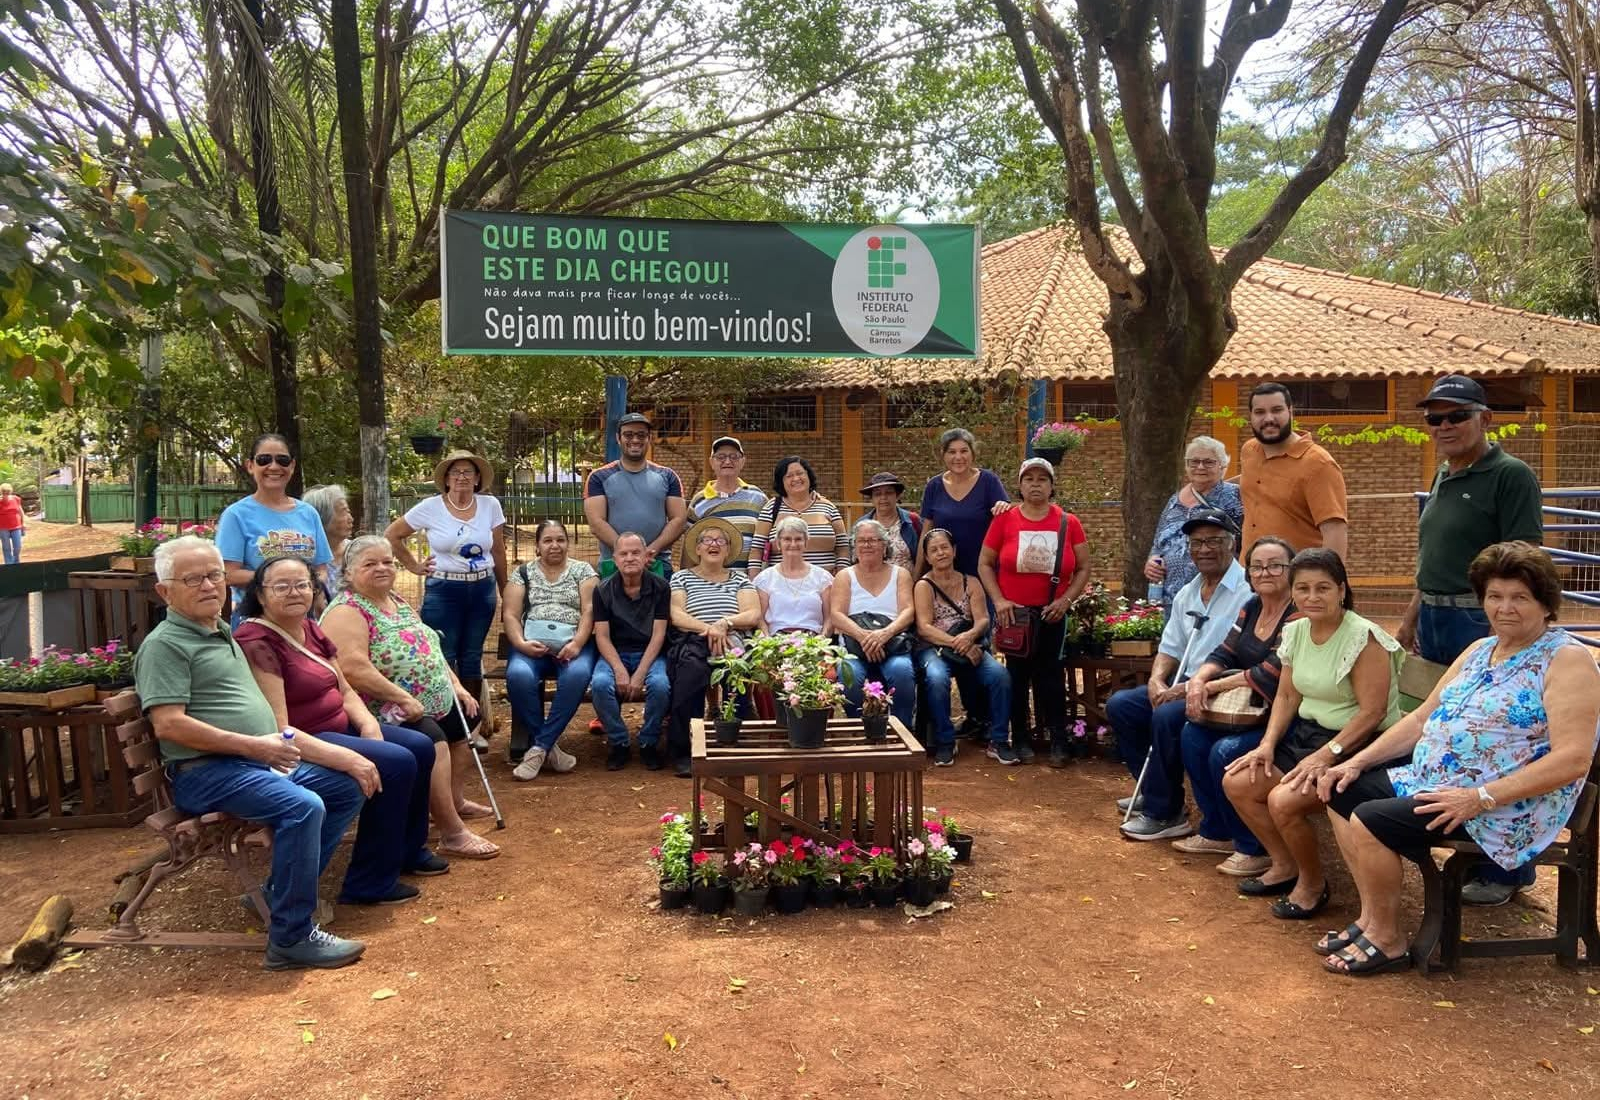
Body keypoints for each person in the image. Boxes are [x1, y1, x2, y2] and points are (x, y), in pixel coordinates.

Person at [1316, 542, 1600, 975]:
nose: (1505, 608)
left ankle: (1388, 940)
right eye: (1495, 596)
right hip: (1435, 780)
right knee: (1341, 790)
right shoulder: (1479, 650)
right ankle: (1371, 920)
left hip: (1507, 805)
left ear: (1546, 604)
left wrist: (1479, 797)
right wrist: (1355, 761)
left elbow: (1573, 759)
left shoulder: (1566, 660)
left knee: (1370, 818)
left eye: (1519, 597)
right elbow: (1420, 722)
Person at [131, 535, 365, 970]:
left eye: (215, 575)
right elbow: (169, 724)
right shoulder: (165, 645)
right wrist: (256, 746)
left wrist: (262, 748)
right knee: (303, 806)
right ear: (165, 591)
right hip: (206, 771)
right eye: (193, 578)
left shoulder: (219, 630)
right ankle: (291, 939)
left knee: (344, 786)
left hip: (249, 763)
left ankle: (282, 894)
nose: (209, 586)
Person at [1394, 375, 1546, 906]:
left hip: (1481, 623)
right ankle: (1461, 839)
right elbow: (1431, 562)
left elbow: (1525, 561)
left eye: (1456, 415)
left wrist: (1506, 629)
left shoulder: (1510, 475)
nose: (1443, 426)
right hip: (1435, 617)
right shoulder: (1443, 473)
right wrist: (1412, 616)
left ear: (1486, 418)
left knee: (1498, 742)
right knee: (1446, 730)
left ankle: (1509, 869)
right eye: (1434, 418)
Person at [235, 556, 445, 904]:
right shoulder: (257, 640)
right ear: (260, 593)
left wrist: (368, 727)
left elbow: (345, 689)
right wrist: (361, 748)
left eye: (303, 584)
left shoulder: (311, 627)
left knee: (420, 745)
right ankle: (368, 882)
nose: (295, 593)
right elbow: (279, 725)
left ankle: (408, 850)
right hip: (305, 737)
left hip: (340, 724)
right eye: (282, 586)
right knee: (396, 762)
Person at [1222, 548, 1401, 921]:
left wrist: (1327, 754)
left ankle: (1312, 885)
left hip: (1358, 745)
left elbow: (1373, 713)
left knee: (1283, 801)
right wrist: (1267, 745)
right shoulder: (1297, 630)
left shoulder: (1363, 638)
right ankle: (1286, 865)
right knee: (1239, 782)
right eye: (1302, 589)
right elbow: (1288, 694)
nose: (1312, 597)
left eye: (1323, 588)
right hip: (1306, 735)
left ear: (1341, 589)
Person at [321, 536, 500, 861]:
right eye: (370, 564)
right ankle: (452, 831)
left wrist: (456, 685)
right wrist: (402, 697)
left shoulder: (397, 601)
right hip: (381, 709)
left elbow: (429, 647)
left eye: (387, 562)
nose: (382, 569)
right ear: (349, 572)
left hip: (428, 700)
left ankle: (453, 800)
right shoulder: (347, 610)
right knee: (431, 737)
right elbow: (353, 667)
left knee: (467, 716)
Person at [1111, 510, 1253, 840]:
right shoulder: (1188, 592)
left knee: (1166, 716)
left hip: (1223, 686)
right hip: (1182, 684)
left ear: (1233, 545)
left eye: (1214, 541)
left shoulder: (1248, 592)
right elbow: (1170, 646)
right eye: (1197, 542)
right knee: (1123, 706)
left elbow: (1244, 659)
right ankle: (1156, 790)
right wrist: (1156, 680)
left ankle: (1164, 814)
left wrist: (1187, 688)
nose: (1204, 549)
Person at [1173, 536, 1299, 876]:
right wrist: (1198, 680)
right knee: (1192, 736)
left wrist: (1210, 685)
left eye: (1275, 565)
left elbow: (1271, 671)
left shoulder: (1297, 614)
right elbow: (1224, 652)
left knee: (1225, 753)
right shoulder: (1252, 606)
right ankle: (1217, 830)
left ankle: (1252, 846)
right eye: (1257, 566)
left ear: (1292, 570)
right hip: (1246, 712)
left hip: (1282, 717)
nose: (1265, 572)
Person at [384, 450, 508, 734]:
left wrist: (505, 591)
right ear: (446, 478)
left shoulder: (490, 505)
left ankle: (472, 728)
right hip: (443, 589)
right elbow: (392, 534)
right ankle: (447, 724)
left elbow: (498, 550)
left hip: (482, 588)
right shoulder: (431, 506)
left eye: (468, 472)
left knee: (472, 655)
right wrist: (414, 566)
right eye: (456, 472)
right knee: (443, 653)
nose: (462, 477)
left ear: (477, 478)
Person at [979, 457, 1090, 765]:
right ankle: (1022, 737)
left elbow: (1083, 567)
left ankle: (1058, 739)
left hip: (1052, 612)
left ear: (1052, 486)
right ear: (1020, 485)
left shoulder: (1069, 522)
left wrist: (1065, 600)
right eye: (1029, 479)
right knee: (1016, 676)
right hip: (1015, 615)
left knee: (1051, 677)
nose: (1036, 484)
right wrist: (999, 601)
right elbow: (984, 564)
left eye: (1043, 479)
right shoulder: (1004, 520)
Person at [666, 517, 763, 777]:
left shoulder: (739, 579)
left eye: (720, 540)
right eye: (707, 540)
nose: (714, 544)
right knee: (690, 674)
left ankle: (739, 746)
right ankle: (687, 751)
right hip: (693, 638)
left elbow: (753, 613)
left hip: (732, 637)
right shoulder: (681, 578)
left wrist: (725, 623)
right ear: (697, 549)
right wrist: (708, 629)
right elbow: (676, 615)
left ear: (727, 549)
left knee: (737, 671)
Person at [503, 519, 594, 780]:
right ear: (538, 547)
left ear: (568, 543)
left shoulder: (583, 571)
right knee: (518, 676)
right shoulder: (522, 573)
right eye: (548, 540)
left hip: (573, 647)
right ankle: (549, 747)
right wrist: (520, 644)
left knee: (577, 676)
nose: (555, 545)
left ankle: (538, 748)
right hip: (530, 646)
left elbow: (589, 610)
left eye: (560, 540)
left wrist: (577, 643)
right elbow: (510, 614)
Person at [914, 527, 1011, 767]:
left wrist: (969, 638)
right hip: (935, 648)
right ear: (926, 557)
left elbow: (983, 620)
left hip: (970, 645)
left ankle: (999, 740)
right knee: (936, 678)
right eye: (933, 550)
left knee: (1000, 676)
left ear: (954, 550)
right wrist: (959, 643)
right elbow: (924, 628)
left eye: (944, 547)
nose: (940, 553)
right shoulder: (923, 586)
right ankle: (945, 741)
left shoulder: (972, 582)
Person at [216, 433, 332, 623]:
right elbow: (227, 574)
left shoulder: (308, 513)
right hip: (257, 620)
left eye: (282, 460)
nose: (274, 466)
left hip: (303, 618)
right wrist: (281, 580)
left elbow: (321, 569)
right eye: (264, 460)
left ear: (292, 466)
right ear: (250, 466)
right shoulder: (236, 515)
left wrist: (307, 586)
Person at [591, 531, 672, 771]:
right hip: (615, 653)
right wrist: (619, 670)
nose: (629, 558)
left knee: (660, 685)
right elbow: (602, 637)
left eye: (636, 553)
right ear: (614, 559)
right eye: (623, 553)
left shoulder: (660, 587)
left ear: (647, 556)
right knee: (599, 684)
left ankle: (648, 742)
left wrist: (639, 674)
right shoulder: (602, 590)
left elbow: (659, 635)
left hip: (651, 653)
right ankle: (619, 742)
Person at [1239, 382, 1348, 560]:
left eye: (1276, 410)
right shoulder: (1249, 451)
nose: (1268, 419)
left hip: (1295, 579)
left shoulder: (1319, 464)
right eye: (1260, 412)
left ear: (1290, 412)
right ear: (1250, 416)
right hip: (1249, 575)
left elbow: (1334, 530)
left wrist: (1330, 583)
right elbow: (1250, 481)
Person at [831, 520, 916, 730]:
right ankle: (859, 730)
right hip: (854, 644)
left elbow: (908, 612)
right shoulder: (845, 576)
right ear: (854, 545)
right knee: (848, 674)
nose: (867, 545)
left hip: (893, 643)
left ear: (884, 544)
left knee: (902, 671)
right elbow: (837, 615)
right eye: (861, 541)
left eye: (873, 540)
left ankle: (902, 730)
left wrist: (883, 635)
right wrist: (864, 637)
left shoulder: (900, 574)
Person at [1142, 436, 1244, 608]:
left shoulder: (1235, 497)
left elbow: (1247, 540)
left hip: (1216, 595)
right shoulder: (1174, 500)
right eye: (1194, 461)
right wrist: (1152, 560)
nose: (1200, 467)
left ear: (1222, 466)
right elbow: (1158, 543)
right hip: (1172, 599)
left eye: (1209, 462)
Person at [584, 412, 687, 577]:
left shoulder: (668, 476)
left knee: (663, 603)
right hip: (614, 565)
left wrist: (650, 552)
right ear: (618, 438)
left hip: (657, 563)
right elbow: (596, 523)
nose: (635, 440)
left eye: (641, 435)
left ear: (649, 438)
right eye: (628, 435)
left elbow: (679, 520)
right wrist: (628, 554)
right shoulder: (598, 477)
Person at [917, 428, 1011, 576]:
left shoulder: (989, 481)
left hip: (984, 572)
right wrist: (917, 576)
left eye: (964, 451)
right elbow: (926, 533)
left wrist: (1005, 507)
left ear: (973, 453)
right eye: (952, 452)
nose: (958, 457)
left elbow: (1005, 519)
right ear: (943, 455)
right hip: (945, 574)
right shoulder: (934, 486)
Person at [748, 456, 850, 577]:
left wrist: (840, 577)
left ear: (808, 476)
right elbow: (757, 550)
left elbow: (843, 547)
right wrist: (754, 583)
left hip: (825, 587)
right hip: (781, 586)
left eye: (800, 473)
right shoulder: (771, 508)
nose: (796, 478)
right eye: (789, 476)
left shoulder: (828, 506)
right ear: (782, 481)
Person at [686, 436, 768, 572]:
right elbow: (691, 545)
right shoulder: (699, 501)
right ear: (711, 462)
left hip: (750, 581)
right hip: (712, 582)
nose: (728, 461)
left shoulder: (759, 497)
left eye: (734, 456)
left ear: (743, 461)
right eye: (721, 457)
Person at [752, 515, 834, 634]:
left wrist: (822, 640)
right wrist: (767, 642)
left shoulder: (823, 578)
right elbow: (760, 619)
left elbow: (830, 618)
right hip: (776, 640)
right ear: (778, 543)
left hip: (813, 640)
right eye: (787, 539)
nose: (793, 544)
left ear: (806, 543)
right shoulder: (765, 578)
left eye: (798, 539)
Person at [853, 472, 922, 568]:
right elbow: (855, 559)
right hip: (871, 581)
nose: (883, 497)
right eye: (877, 494)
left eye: (888, 493)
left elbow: (922, 556)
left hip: (908, 581)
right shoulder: (861, 525)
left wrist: (916, 579)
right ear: (872, 499)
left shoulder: (912, 521)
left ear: (897, 496)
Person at [302, 484, 355, 598]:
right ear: (321, 517)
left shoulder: (358, 552)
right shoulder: (304, 556)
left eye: (348, 511)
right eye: (344, 512)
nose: (351, 519)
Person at [0, 483, 23, 565]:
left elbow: (20, 511)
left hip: (16, 526)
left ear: (10, 492)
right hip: (3, 527)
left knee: (17, 546)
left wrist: (23, 523)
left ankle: (16, 561)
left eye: (7, 492)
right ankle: (9, 564)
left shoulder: (16, 499)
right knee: (6, 547)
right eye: (4, 493)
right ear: (1, 493)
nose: (6, 494)